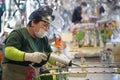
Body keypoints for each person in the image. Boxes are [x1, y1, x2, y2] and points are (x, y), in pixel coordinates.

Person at [1, 5, 64, 80]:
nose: (46, 29)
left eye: (48, 27)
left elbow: (48, 56)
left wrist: (57, 62)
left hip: (32, 75)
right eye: (44, 25)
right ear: (33, 22)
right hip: (14, 75)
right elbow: (8, 51)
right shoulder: (18, 34)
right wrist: (29, 56)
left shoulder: (43, 39)